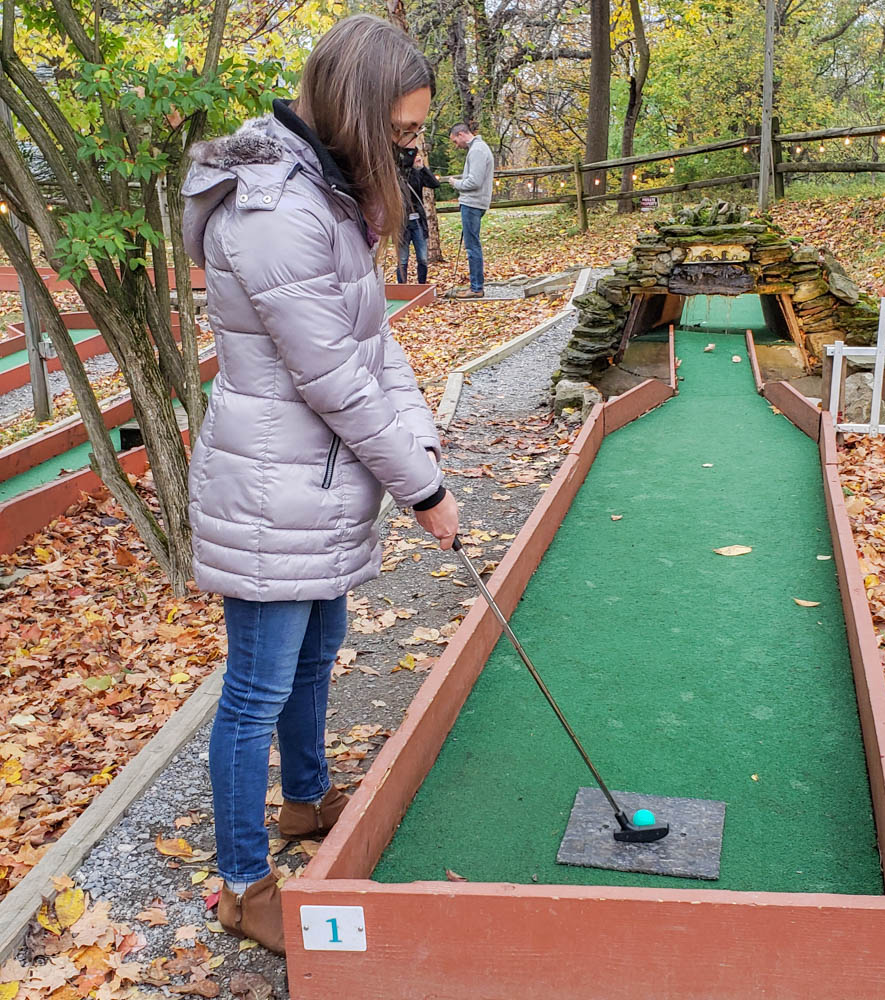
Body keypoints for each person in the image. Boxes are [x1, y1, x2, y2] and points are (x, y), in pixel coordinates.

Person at [180, 14, 459, 955]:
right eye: (405, 132)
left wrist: (424, 461)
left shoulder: (329, 195)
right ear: (354, 111)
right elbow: (335, 377)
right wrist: (422, 493)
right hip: (271, 487)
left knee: (318, 645)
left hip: (318, 482)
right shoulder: (276, 214)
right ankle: (241, 881)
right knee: (256, 684)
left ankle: (304, 802)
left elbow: (379, 350)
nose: (412, 150)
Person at [446, 123, 494, 299]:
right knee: (471, 244)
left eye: (455, 141)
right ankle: (475, 285)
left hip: (473, 203)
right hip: (473, 203)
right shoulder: (477, 149)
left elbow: (474, 181)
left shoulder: (477, 151)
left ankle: (476, 287)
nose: (455, 145)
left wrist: (455, 183)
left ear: (460, 134)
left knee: (472, 246)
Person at [395, 149, 440, 284]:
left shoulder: (418, 173)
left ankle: (421, 285)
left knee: (422, 258)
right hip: (402, 222)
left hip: (418, 221)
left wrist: (423, 168)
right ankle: (402, 288)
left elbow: (434, 184)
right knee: (402, 259)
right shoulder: (397, 175)